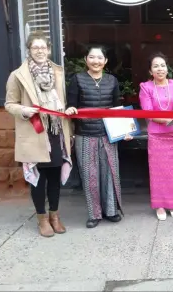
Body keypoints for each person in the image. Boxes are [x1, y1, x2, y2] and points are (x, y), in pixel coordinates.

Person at [5, 30, 72, 238]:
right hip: (35, 132)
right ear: (29, 50)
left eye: (43, 47)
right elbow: (9, 104)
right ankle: (42, 218)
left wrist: (67, 112)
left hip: (56, 132)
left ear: (49, 50)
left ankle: (54, 215)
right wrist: (24, 111)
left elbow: (62, 102)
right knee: (38, 179)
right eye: (36, 48)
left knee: (54, 176)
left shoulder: (57, 72)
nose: (40, 51)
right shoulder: (18, 75)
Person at [65, 45, 132, 228]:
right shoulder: (77, 79)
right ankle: (94, 214)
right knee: (89, 175)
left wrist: (125, 130)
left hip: (108, 133)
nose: (96, 61)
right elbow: (71, 105)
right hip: (84, 135)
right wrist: (70, 109)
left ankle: (111, 211)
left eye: (100, 58)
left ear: (105, 61)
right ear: (86, 59)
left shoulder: (112, 80)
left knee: (110, 173)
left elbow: (118, 109)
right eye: (92, 57)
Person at [139, 52, 173, 221]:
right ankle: (159, 205)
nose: (160, 69)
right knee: (158, 171)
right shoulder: (146, 87)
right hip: (157, 135)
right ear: (151, 71)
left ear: (167, 68)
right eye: (156, 66)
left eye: (163, 65)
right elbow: (147, 112)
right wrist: (169, 119)